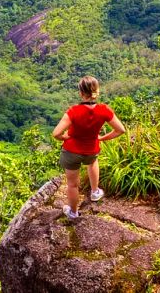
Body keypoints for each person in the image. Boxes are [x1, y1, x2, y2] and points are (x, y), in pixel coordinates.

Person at [52, 76, 126, 219]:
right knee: (92, 162)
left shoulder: (73, 111)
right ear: (97, 91)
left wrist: (64, 137)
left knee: (72, 185)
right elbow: (120, 130)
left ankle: (73, 213)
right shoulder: (104, 110)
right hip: (91, 150)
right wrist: (102, 138)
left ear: (81, 93)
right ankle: (95, 192)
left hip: (71, 151)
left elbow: (56, 133)